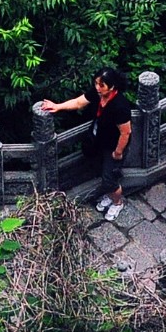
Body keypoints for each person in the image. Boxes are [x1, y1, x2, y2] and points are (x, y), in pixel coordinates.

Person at [41, 68, 134, 222]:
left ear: (112, 87)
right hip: (99, 140)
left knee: (109, 178)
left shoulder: (120, 106)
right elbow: (78, 102)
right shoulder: (98, 94)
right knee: (100, 170)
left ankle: (118, 202)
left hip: (113, 145)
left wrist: (118, 152)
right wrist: (57, 106)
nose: (97, 87)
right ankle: (110, 195)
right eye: (96, 83)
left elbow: (126, 132)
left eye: (101, 85)